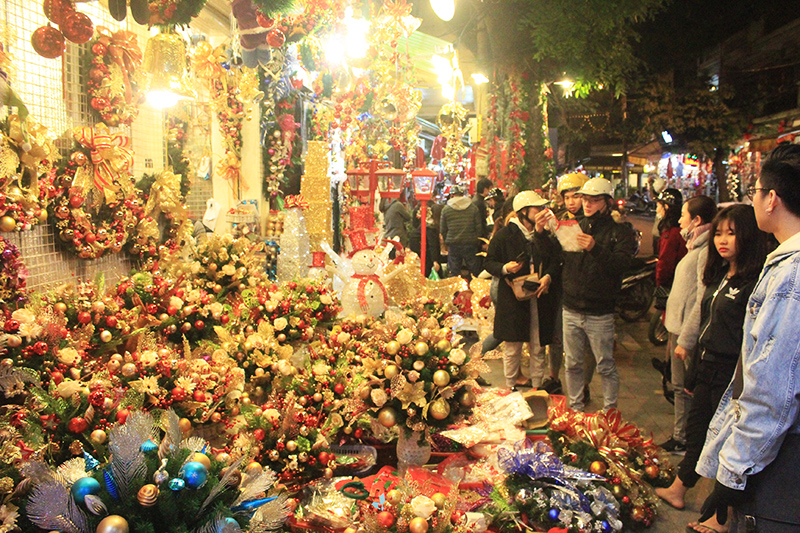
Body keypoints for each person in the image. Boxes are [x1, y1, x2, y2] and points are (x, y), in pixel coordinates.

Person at [696, 144, 800, 532]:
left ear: (772, 199)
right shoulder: (784, 263)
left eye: (755, 192)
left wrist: (733, 472)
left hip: (781, 457)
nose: (753, 200)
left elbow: (772, 386)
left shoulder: (792, 275)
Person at [656, 205, 766, 533]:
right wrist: (693, 364)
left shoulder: (753, 282)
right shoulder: (721, 274)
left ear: (747, 236)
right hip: (707, 366)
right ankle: (679, 488)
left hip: (732, 374)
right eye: (719, 233)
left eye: (731, 233)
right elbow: (707, 322)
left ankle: (720, 518)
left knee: (725, 444)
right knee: (697, 431)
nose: (722, 240)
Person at [547, 177, 636, 412]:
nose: (587, 204)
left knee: (605, 365)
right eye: (585, 199)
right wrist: (542, 233)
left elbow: (621, 264)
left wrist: (595, 248)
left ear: (606, 202)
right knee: (572, 364)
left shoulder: (620, 232)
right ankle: (575, 409)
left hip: (600, 311)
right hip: (571, 307)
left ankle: (610, 413)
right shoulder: (574, 225)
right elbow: (557, 258)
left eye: (594, 200)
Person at [659, 195, 717, 455]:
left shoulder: (705, 252)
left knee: (684, 389)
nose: (680, 219)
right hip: (677, 329)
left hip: (686, 333)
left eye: (684, 214)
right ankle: (680, 435)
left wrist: (685, 340)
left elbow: (701, 299)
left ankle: (685, 439)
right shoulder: (695, 246)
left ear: (696, 219)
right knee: (678, 386)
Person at [485, 191, 560, 391]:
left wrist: (548, 277)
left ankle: (537, 387)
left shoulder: (544, 235)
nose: (543, 211)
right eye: (538, 208)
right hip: (513, 298)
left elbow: (554, 260)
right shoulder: (505, 235)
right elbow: (489, 262)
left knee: (538, 345)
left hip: (539, 296)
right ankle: (510, 387)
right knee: (512, 346)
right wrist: (505, 268)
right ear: (524, 211)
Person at [541, 172, 592, 397]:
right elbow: (551, 254)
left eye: (576, 196)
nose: (571, 201)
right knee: (556, 334)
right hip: (561, 286)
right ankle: (554, 377)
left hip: (587, 290)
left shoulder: (593, 222)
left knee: (587, 342)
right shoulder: (558, 220)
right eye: (567, 197)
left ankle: (585, 385)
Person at [440, 185, 483, 278]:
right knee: (474, 270)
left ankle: (455, 291)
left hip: (453, 243)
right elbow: (478, 227)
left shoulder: (446, 209)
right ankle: (475, 290)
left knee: (454, 271)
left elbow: (443, 229)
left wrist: (447, 240)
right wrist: (477, 240)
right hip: (470, 242)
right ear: (462, 194)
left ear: (451, 195)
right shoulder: (473, 208)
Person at [655, 188, 687, 289]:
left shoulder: (670, 234)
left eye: (658, 206)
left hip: (672, 284)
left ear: (667, 207)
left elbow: (665, 263)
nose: (657, 210)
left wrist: (659, 282)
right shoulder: (681, 230)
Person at [408, 203, 442, 278]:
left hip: (418, 248)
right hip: (423, 251)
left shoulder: (426, 224)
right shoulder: (431, 227)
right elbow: (432, 244)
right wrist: (435, 260)